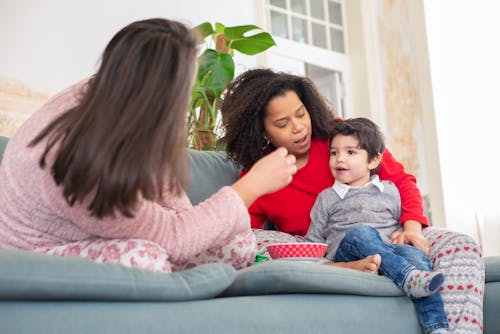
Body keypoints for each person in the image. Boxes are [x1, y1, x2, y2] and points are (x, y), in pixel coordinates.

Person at [0, 19, 298, 274]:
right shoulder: (78, 155)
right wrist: (252, 185)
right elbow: (173, 238)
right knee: (148, 260)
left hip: (99, 233)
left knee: (239, 245)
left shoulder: (118, 104)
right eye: (185, 88)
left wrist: (192, 228)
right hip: (34, 255)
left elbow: (175, 210)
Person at [220, 68, 484, 333]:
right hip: (327, 249)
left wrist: (412, 229)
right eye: (282, 123)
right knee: (253, 241)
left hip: (392, 236)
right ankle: (348, 267)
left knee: (462, 244)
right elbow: (244, 238)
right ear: (262, 132)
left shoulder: (340, 137)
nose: (298, 127)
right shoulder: (258, 174)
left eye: (301, 113)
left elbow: (402, 181)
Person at [305, 118, 448, 334]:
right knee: (361, 233)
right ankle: (408, 277)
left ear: (373, 160)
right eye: (334, 153)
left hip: (386, 253)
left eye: (350, 152)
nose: (339, 159)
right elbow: (314, 242)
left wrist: (404, 233)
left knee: (415, 255)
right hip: (349, 254)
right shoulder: (326, 198)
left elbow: (401, 224)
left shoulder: (389, 191)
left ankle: (437, 328)